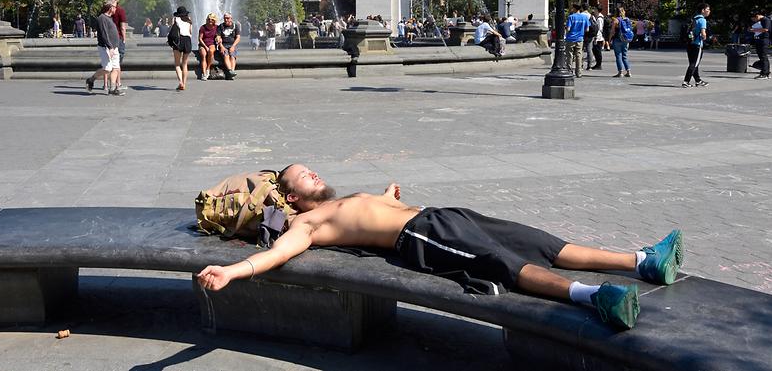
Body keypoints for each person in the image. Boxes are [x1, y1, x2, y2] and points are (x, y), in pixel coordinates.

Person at [197, 165, 684, 331]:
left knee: (542, 242)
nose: (314, 174)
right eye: (304, 175)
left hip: (440, 218)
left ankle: (641, 261)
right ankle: (593, 297)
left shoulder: (337, 200)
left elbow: (368, 212)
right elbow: (277, 254)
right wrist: (234, 270)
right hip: (422, 239)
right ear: (291, 196)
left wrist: (387, 196)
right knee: (506, 265)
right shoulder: (305, 223)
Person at [85, 0, 123, 96]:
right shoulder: (102, 18)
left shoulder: (110, 18)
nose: (116, 8)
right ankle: (91, 79)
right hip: (105, 47)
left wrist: (115, 46)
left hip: (114, 47)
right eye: (115, 6)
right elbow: (104, 34)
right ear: (110, 7)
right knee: (107, 69)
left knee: (115, 68)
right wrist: (110, 47)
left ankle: (113, 88)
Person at [682, 3, 710, 88]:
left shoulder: (694, 18)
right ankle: (686, 81)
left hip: (690, 43)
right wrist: (705, 38)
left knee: (693, 63)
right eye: (707, 10)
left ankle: (698, 80)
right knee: (694, 63)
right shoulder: (702, 20)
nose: (709, 11)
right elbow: (703, 33)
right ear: (703, 10)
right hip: (697, 44)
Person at [170, 6, 193, 91]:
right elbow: (190, 32)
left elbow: (173, 31)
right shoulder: (189, 20)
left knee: (177, 64)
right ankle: (184, 83)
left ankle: (180, 82)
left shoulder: (176, 19)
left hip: (178, 41)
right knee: (185, 64)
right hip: (187, 41)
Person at [109, 0, 128, 90]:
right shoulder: (120, 10)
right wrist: (124, 39)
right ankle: (118, 84)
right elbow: (122, 27)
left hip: (108, 38)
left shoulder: (105, 10)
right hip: (118, 38)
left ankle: (109, 83)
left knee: (110, 62)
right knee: (118, 62)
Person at [565, 4, 590, 78]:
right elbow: (587, 29)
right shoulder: (585, 17)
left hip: (570, 38)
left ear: (574, 9)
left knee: (569, 55)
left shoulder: (571, 17)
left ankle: (569, 70)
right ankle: (579, 72)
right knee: (579, 55)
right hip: (580, 38)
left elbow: (568, 29)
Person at [608, 6, 632, 78]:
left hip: (617, 39)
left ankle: (620, 72)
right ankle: (628, 71)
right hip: (625, 39)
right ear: (623, 12)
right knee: (624, 56)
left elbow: (612, 31)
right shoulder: (627, 19)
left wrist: (609, 40)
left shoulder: (616, 20)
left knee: (618, 56)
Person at [217, 13, 240, 80]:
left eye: (227, 18)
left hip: (232, 45)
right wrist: (221, 46)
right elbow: (218, 37)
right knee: (226, 55)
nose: (225, 19)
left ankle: (231, 72)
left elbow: (238, 38)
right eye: (224, 18)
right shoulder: (220, 26)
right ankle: (230, 71)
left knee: (232, 56)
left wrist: (233, 46)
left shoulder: (235, 26)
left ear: (231, 18)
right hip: (223, 45)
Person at [199, 13, 220, 80]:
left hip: (212, 44)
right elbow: (200, 39)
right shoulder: (203, 27)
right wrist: (205, 47)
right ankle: (204, 73)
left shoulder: (217, 27)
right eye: (209, 19)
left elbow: (218, 36)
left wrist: (218, 38)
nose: (210, 21)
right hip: (203, 44)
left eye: (212, 19)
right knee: (203, 55)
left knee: (211, 51)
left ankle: (208, 69)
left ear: (214, 20)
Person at [750, 10, 770, 79]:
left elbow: (766, 29)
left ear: (757, 16)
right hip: (759, 40)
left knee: (763, 57)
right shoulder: (761, 20)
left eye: (754, 19)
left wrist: (753, 30)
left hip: (764, 40)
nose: (754, 21)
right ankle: (764, 73)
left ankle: (764, 74)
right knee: (762, 57)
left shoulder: (766, 20)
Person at [590, 6, 605, 70]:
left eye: (595, 9)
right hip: (597, 36)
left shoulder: (599, 18)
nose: (594, 10)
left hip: (598, 37)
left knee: (598, 51)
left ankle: (599, 64)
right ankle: (597, 64)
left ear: (597, 10)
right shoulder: (597, 17)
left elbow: (599, 28)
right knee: (595, 51)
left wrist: (596, 37)